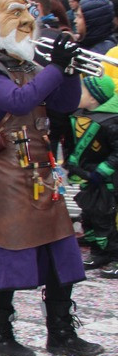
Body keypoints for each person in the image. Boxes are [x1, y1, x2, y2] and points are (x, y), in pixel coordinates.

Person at [0, 0, 104, 356]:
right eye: (14, 13)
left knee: (59, 251)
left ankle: (61, 333)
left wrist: (67, 71)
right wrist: (56, 67)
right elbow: (18, 101)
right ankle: (1, 334)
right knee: (8, 250)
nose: (26, 21)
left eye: (27, 13)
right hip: (6, 172)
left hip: (40, 168)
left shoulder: (27, 64)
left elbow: (66, 104)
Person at [67, 75, 118, 269]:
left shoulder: (111, 121)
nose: (77, 93)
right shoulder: (78, 114)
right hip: (86, 177)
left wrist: (101, 172)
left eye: (82, 91)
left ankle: (114, 256)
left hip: (106, 180)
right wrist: (72, 165)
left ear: (94, 99)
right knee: (88, 217)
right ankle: (98, 253)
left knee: (106, 220)